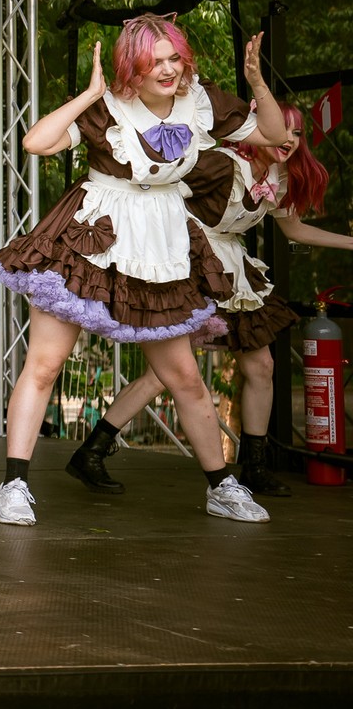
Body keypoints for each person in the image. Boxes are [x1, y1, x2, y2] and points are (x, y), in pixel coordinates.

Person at [0, 16, 289, 526]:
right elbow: (36, 142)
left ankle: (221, 487)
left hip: (161, 240)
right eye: (156, 62)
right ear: (133, 68)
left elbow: (275, 135)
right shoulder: (107, 108)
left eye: (175, 59)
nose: (169, 70)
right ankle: (13, 485)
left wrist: (257, 82)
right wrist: (90, 95)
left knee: (185, 377)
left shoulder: (201, 101)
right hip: (93, 234)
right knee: (45, 364)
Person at [69, 103, 350, 497]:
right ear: (256, 130)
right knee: (165, 373)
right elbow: (160, 190)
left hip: (232, 270)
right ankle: (92, 451)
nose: (289, 139)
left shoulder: (280, 178)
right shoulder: (220, 164)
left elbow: (296, 230)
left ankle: (254, 466)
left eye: (297, 133)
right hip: (190, 262)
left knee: (262, 366)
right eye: (280, 129)